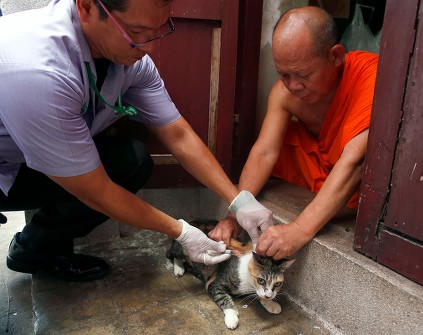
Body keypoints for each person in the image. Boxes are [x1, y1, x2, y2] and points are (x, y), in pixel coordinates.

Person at [0, 0, 273, 282]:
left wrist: (238, 201)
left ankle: (33, 249)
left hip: (28, 155)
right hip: (4, 171)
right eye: (136, 31)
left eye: (158, 29)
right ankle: (43, 249)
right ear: (86, 7)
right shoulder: (37, 69)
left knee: (131, 160)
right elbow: (95, 190)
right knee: (93, 184)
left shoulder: (131, 61)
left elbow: (177, 133)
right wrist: (179, 231)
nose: (149, 47)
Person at [209, 6, 378, 260]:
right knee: (284, 136)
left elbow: (356, 161)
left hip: (353, 174)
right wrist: (234, 216)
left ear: (336, 56)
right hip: (325, 169)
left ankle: (332, 203)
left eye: (304, 74)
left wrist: (299, 229)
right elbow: (264, 153)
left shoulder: (369, 75)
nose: (294, 86)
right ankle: (327, 200)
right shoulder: (284, 92)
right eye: (284, 75)